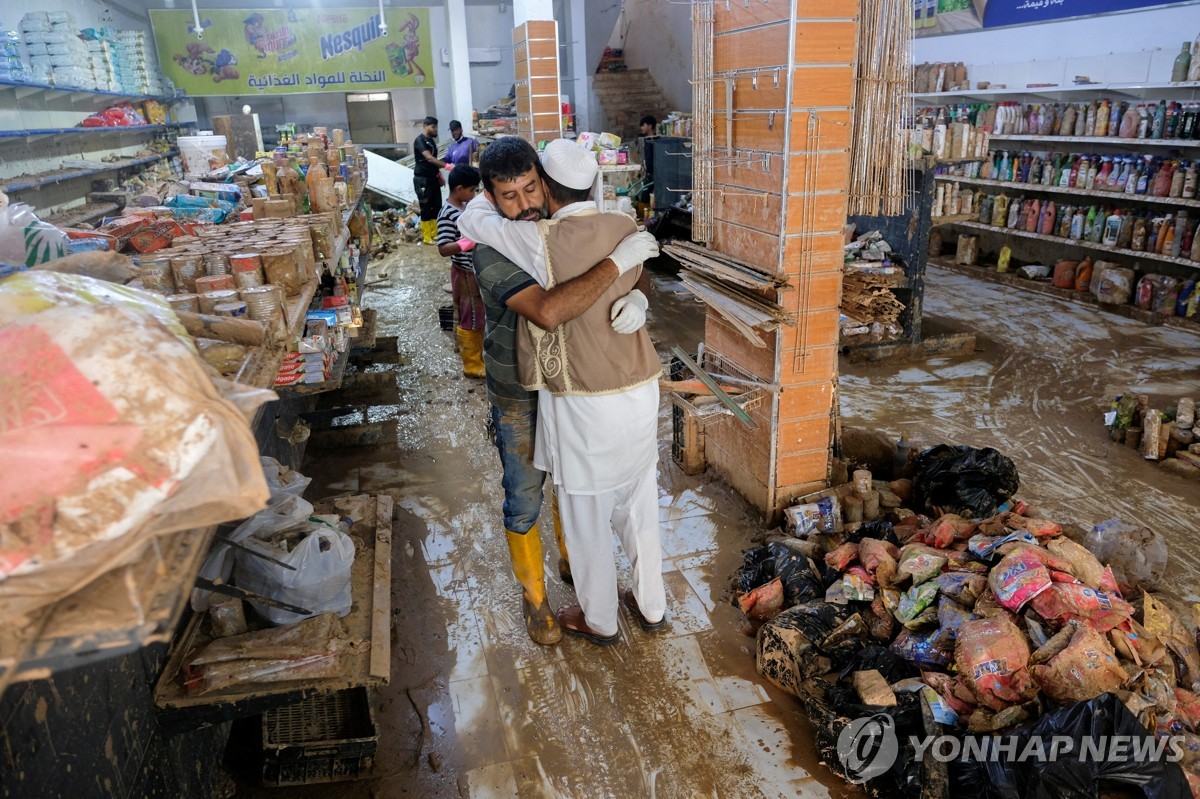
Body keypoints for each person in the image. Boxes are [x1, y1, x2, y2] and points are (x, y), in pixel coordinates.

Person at [460, 138, 665, 647]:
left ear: (546, 185)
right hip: (521, 391)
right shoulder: (499, 246)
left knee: (583, 502)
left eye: (531, 188)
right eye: (508, 195)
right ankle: (536, 598)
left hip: (573, 392)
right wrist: (620, 265)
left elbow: (633, 276)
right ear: (489, 196)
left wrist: (637, 294)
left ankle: (588, 592)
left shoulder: (553, 232)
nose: (525, 203)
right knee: (528, 493)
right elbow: (550, 309)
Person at [436, 164, 486, 379]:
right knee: (472, 317)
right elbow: (443, 248)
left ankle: (466, 351)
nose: (474, 194)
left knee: (464, 313)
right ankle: (472, 365)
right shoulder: (448, 213)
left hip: (466, 272)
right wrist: (467, 243)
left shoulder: (463, 208)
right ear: (458, 188)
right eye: (471, 190)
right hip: (465, 273)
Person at [412, 116, 445, 245]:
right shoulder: (419, 141)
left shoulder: (431, 141)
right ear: (426, 126)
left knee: (436, 205)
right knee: (426, 206)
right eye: (433, 127)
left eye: (436, 127)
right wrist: (446, 166)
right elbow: (430, 159)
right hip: (422, 179)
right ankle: (427, 237)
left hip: (433, 178)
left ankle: (434, 233)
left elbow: (433, 162)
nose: (435, 129)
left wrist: (439, 174)